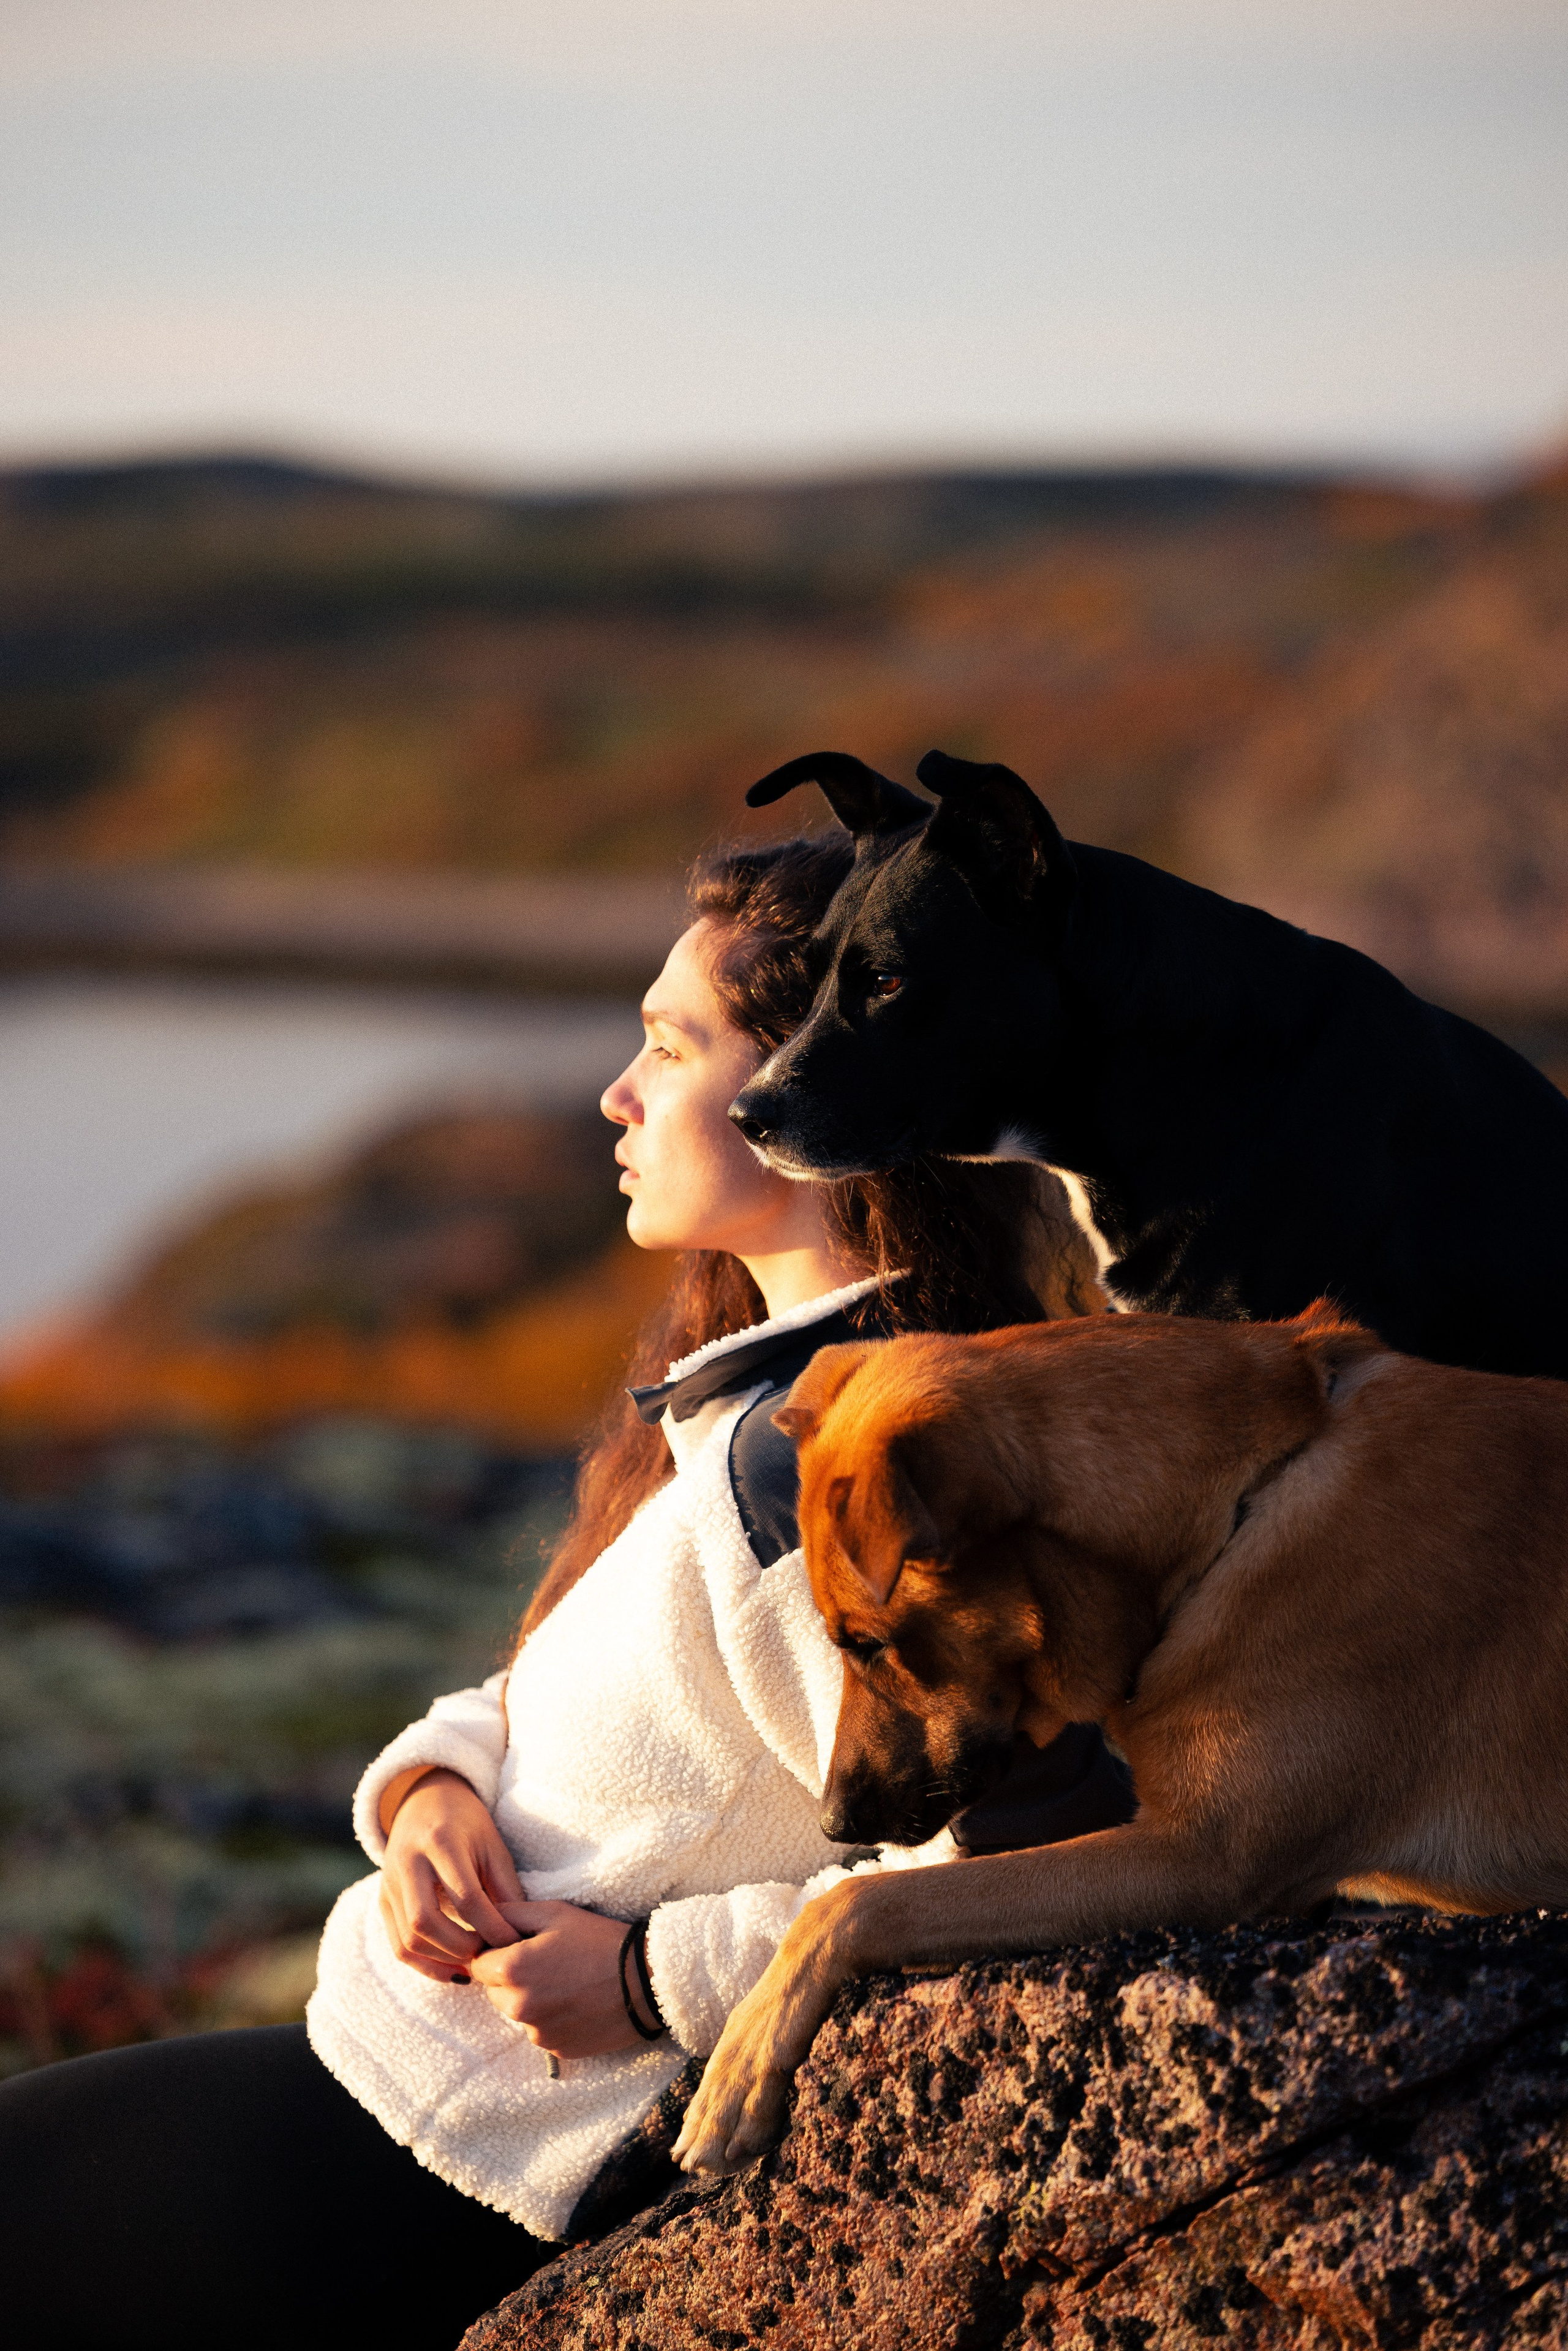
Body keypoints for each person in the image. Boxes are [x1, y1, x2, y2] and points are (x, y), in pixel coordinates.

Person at [0, 834, 1118, 2351]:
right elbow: (585, 1695)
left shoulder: (835, 1470)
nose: (617, 1091)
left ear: (819, 1089)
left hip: (468, 2167)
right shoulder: (753, 1408)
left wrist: (657, 1979)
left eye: (669, 1044)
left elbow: (1015, 1848)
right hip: (405, 2081)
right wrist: (434, 1793)